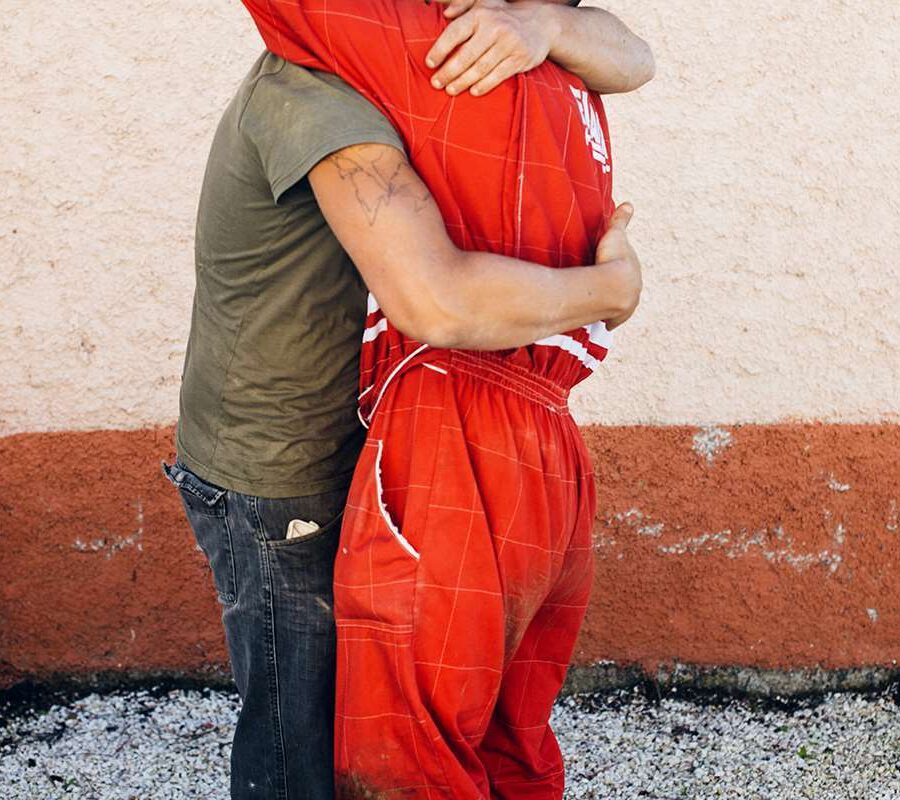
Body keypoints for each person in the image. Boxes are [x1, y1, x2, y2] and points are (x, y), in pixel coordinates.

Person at [163, 1, 652, 798]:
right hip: (281, 473)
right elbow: (438, 303)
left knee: (367, 718)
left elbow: (633, 57)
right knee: (303, 739)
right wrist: (609, 292)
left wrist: (547, 28)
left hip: (371, 441)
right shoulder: (319, 96)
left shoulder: (411, 57)